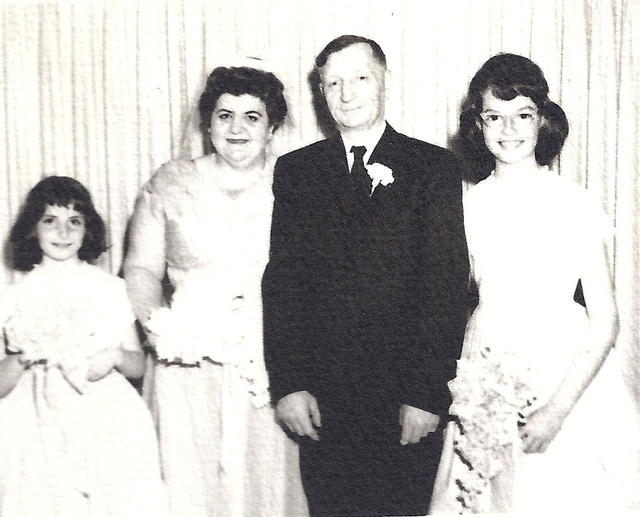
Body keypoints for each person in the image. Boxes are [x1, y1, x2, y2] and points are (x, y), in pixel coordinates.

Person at [262, 35, 469, 516]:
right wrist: (288, 384)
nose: (346, 93)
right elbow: (283, 283)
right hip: (322, 400)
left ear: (383, 82)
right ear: (320, 91)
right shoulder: (297, 171)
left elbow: (446, 285)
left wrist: (426, 394)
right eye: (332, 82)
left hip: (403, 400)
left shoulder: (433, 167)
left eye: (359, 78)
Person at [429, 53, 632, 514]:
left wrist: (557, 411)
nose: (509, 129)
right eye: (493, 117)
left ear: (543, 121)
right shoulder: (467, 206)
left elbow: (606, 322)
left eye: (523, 115)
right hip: (486, 364)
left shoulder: (572, 203)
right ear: (477, 126)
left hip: (562, 373)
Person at [124, 65, 308, 517]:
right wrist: (162, 332)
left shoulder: (297, 184)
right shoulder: (169, 181)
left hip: (266, 366)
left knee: (261, 483)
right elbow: (141, 269)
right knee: (188, 481)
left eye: (252, 116)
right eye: (225, 115)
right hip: (186, 365)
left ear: (273, 127)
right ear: (207, 124)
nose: (237, 128)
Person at [0, 176, 168, 516]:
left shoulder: (109, 289)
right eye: (51, 221)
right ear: (32, 227)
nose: (63, 232)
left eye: (74, 221)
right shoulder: (13, 295)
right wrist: (23, 356)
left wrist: (116, 357)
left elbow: (138, 365)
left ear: (87, 229)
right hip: (35, 421)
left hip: (105, 417)